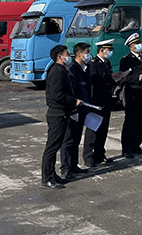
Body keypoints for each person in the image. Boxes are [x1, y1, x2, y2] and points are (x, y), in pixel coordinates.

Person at [40, 45, 82, 189]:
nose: (69, 56)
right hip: (57, 114)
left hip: (62, 113)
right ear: (60, 57)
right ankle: (46, 178)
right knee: (52, 147)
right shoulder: (57, 71)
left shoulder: (61, 70)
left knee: (56, 145)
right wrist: (73, 101)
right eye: (67, 54)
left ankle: (52, 174)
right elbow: (56, 95)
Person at [83, 39, 118, 167]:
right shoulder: (93, 64)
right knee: (93, 129)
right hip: (96, 101)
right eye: (109, 50)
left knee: (103, 129)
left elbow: (107, 79)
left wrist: (117, 79)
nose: (110, 52)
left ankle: (99, 154)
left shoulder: (106, 62)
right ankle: (88, 157)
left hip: (106, 100)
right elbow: (96, 80)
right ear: (102, 50)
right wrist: (111, 77)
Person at [60, 42, 92, 180]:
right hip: (74, 109)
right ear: (79, 54)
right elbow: (72, 90)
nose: (89, 55)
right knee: (69, 139)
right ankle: (65, 168)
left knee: (77, 138)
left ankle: (73, 165)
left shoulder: (83, 68)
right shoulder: (72, 69)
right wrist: (73, 107)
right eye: (87, 52)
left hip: (83, 108)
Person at [120, 33, 142, 159]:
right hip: (134, 93)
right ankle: (127, 148)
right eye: (136, 44)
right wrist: (139, 77)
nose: (139, 45)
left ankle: (136, 145)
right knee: (131, 121)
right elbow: (125, 77)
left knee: (141, 121)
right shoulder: (126, 60)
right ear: (131, 47)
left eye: (139, 43)